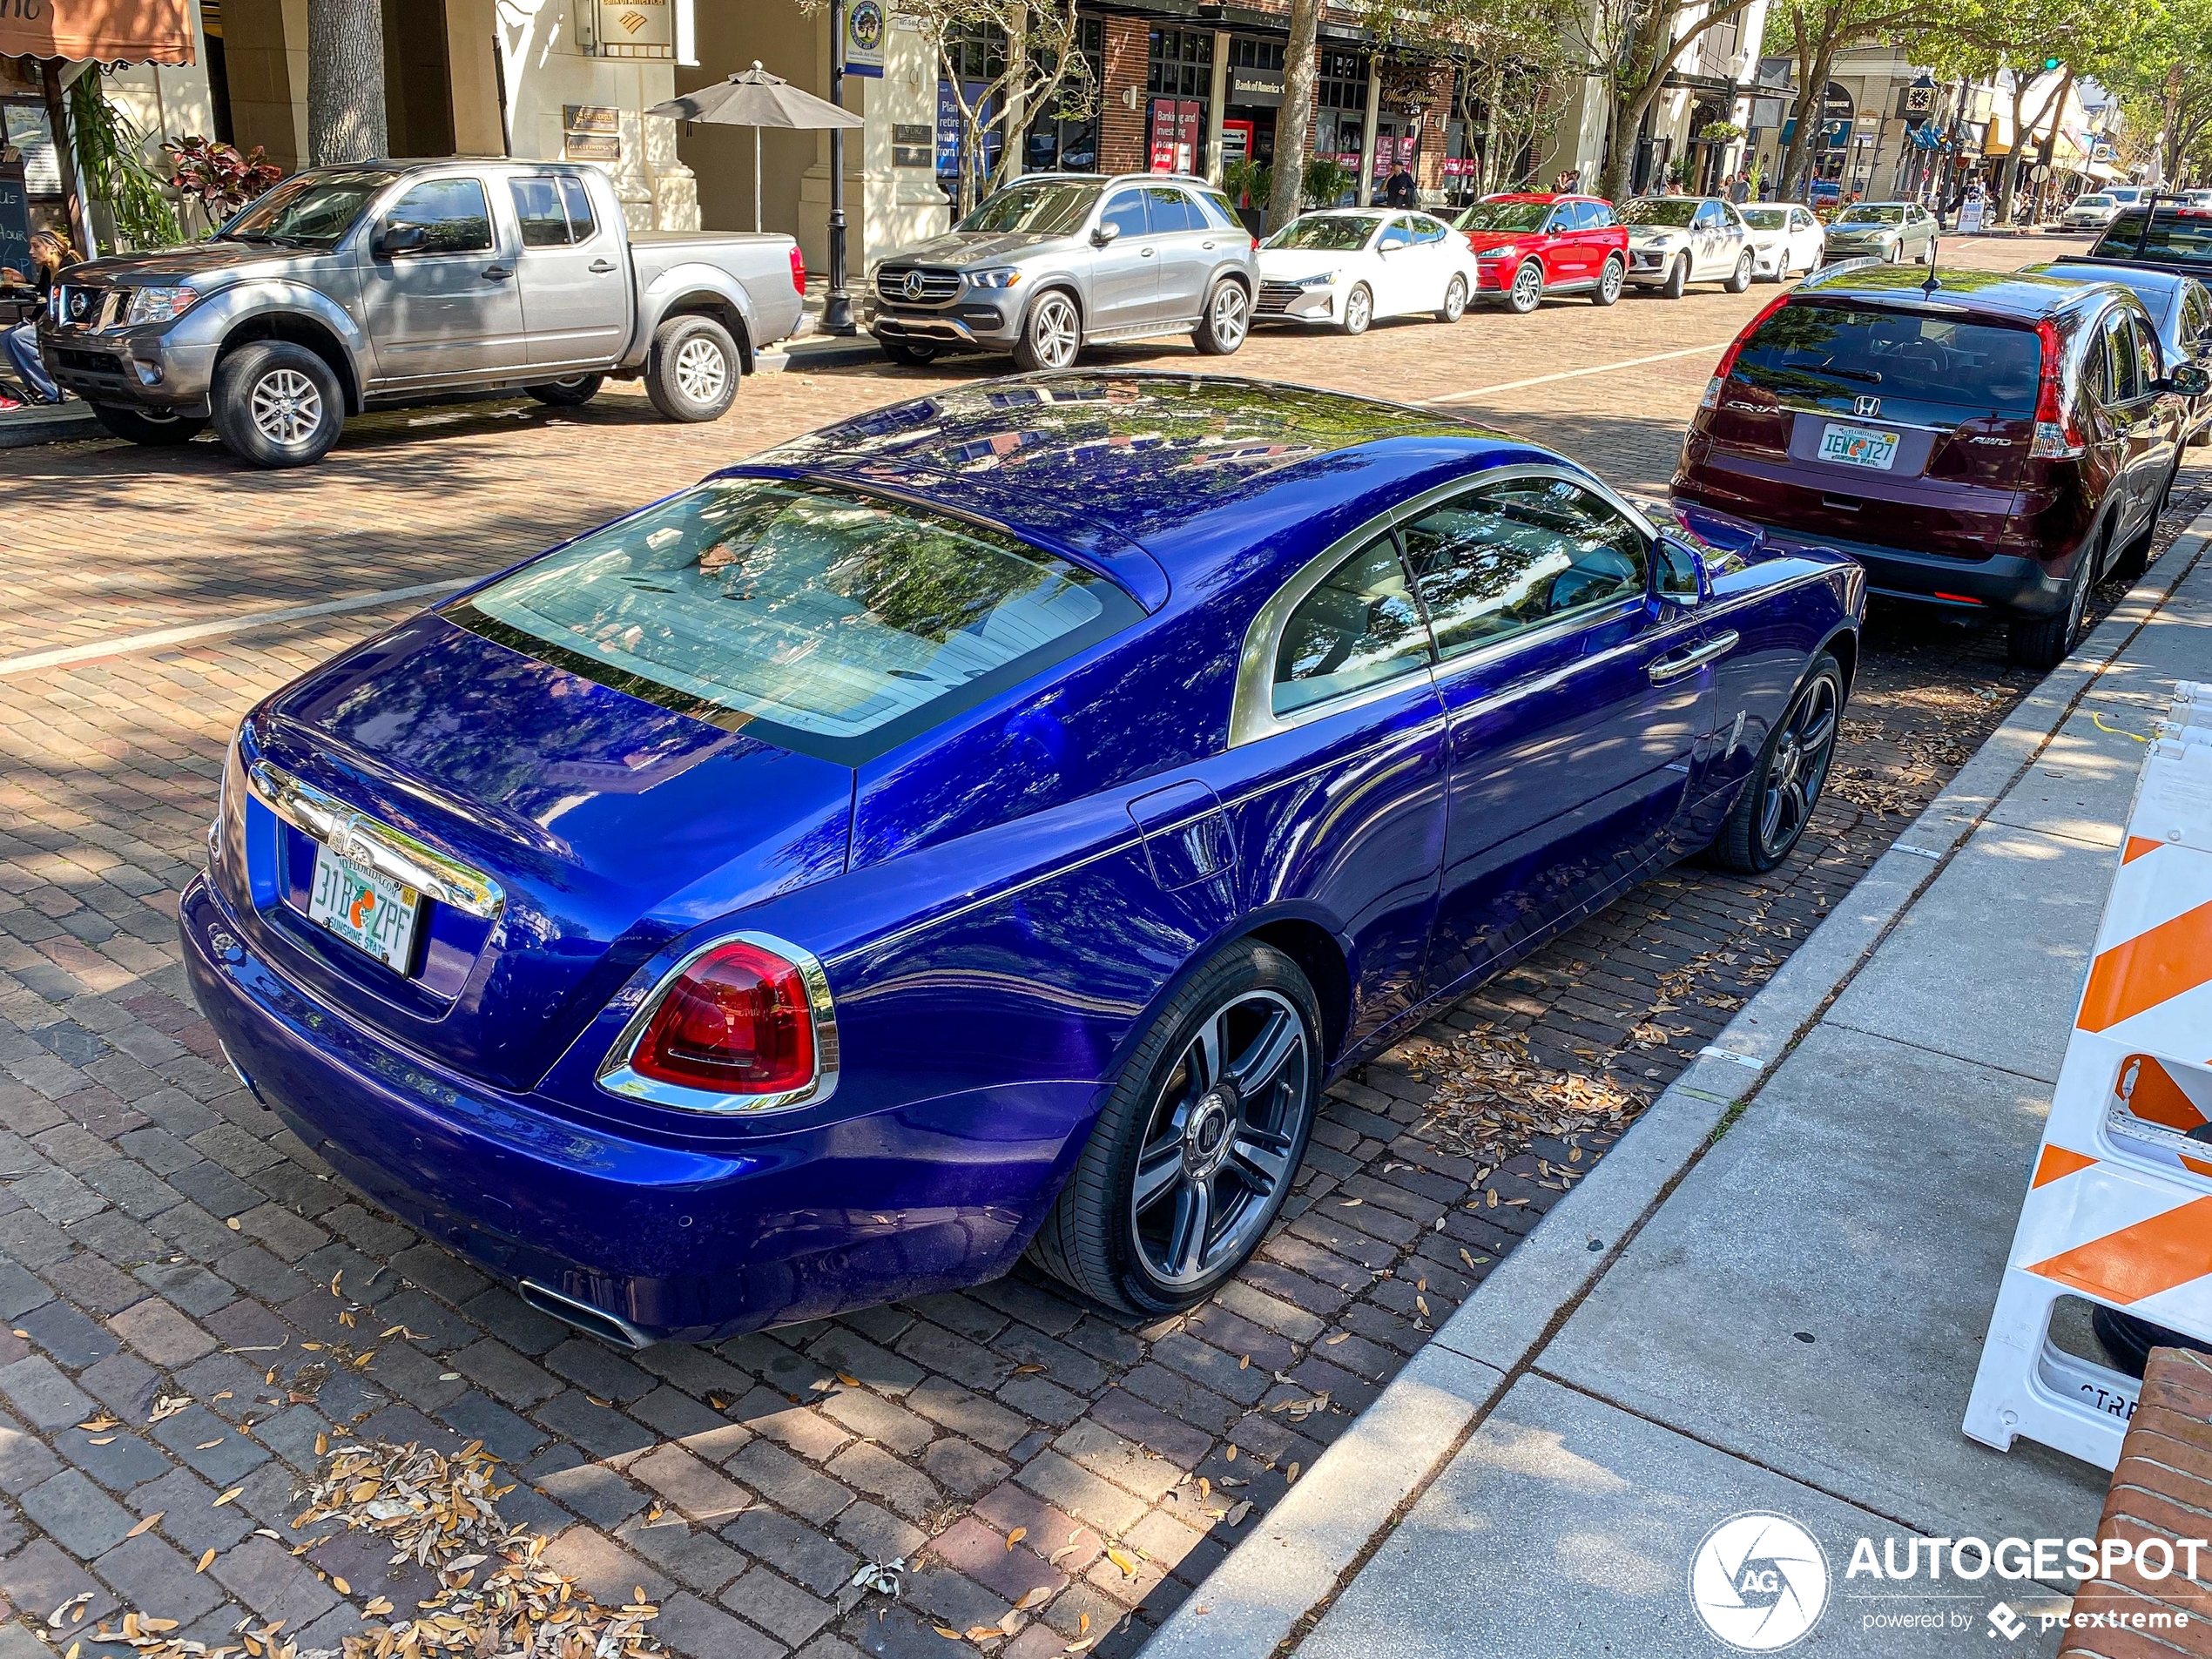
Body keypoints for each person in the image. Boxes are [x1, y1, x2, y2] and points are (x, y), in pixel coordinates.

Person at [1, 230, 78, 408]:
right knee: (6, 337)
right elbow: (43, 294)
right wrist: (24, 281)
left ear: (51, 248)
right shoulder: (48, 269)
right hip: (45, 319)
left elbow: (70, 302)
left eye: (36, 246)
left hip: (65, 324)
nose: (30, 252)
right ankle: (34, 387)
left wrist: (40, 320)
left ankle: (53, 391)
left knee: (20, 337)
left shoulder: (69, 269)